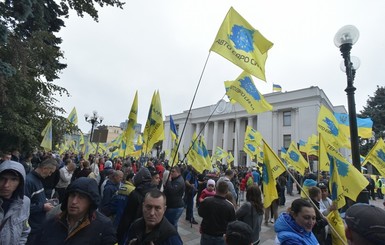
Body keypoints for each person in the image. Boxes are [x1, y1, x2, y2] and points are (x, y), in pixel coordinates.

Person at [35, 177, 117, 244]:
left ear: (90, 201)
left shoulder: (104, 227)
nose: (74, 202)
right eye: (72, 195)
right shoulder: (52, 221)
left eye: (81, 197)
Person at [116, 167, 158, 243]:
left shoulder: (135, 194)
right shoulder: (156, 192)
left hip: (135, 230)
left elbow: (127, 217)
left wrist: (119, 234)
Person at [25, 158, 58, 244]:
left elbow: (36, 198)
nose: (50, 175)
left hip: (37, 226)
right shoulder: (28, 181)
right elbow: (23, 207)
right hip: (32, 228)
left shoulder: (38, 179)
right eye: (50, 172)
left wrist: (47, 200)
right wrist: (43, 207)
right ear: (44, 168)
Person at [0, 160, 31, 244]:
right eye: (2, 178)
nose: (6, 185)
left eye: (13, 179)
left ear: (20, 183)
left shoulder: (25, 202)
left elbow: (24, 231)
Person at [198, 180, 236, 245]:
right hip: (221, 235)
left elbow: (200, 213)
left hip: (207, 232)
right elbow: (232, 222)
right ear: (226, 192)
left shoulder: (207, 201)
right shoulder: (230, 206)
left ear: (216, 189)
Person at [163, 166, 185, 230]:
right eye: (171, 171)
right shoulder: (175, 179)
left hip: (175, 207)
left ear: (178, 173)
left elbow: (171, 191)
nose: (171, 173)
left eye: (173, 171)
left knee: (171, 224)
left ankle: (173, 237)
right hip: (172, 205)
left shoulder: (179, 181)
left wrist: (169, 181)